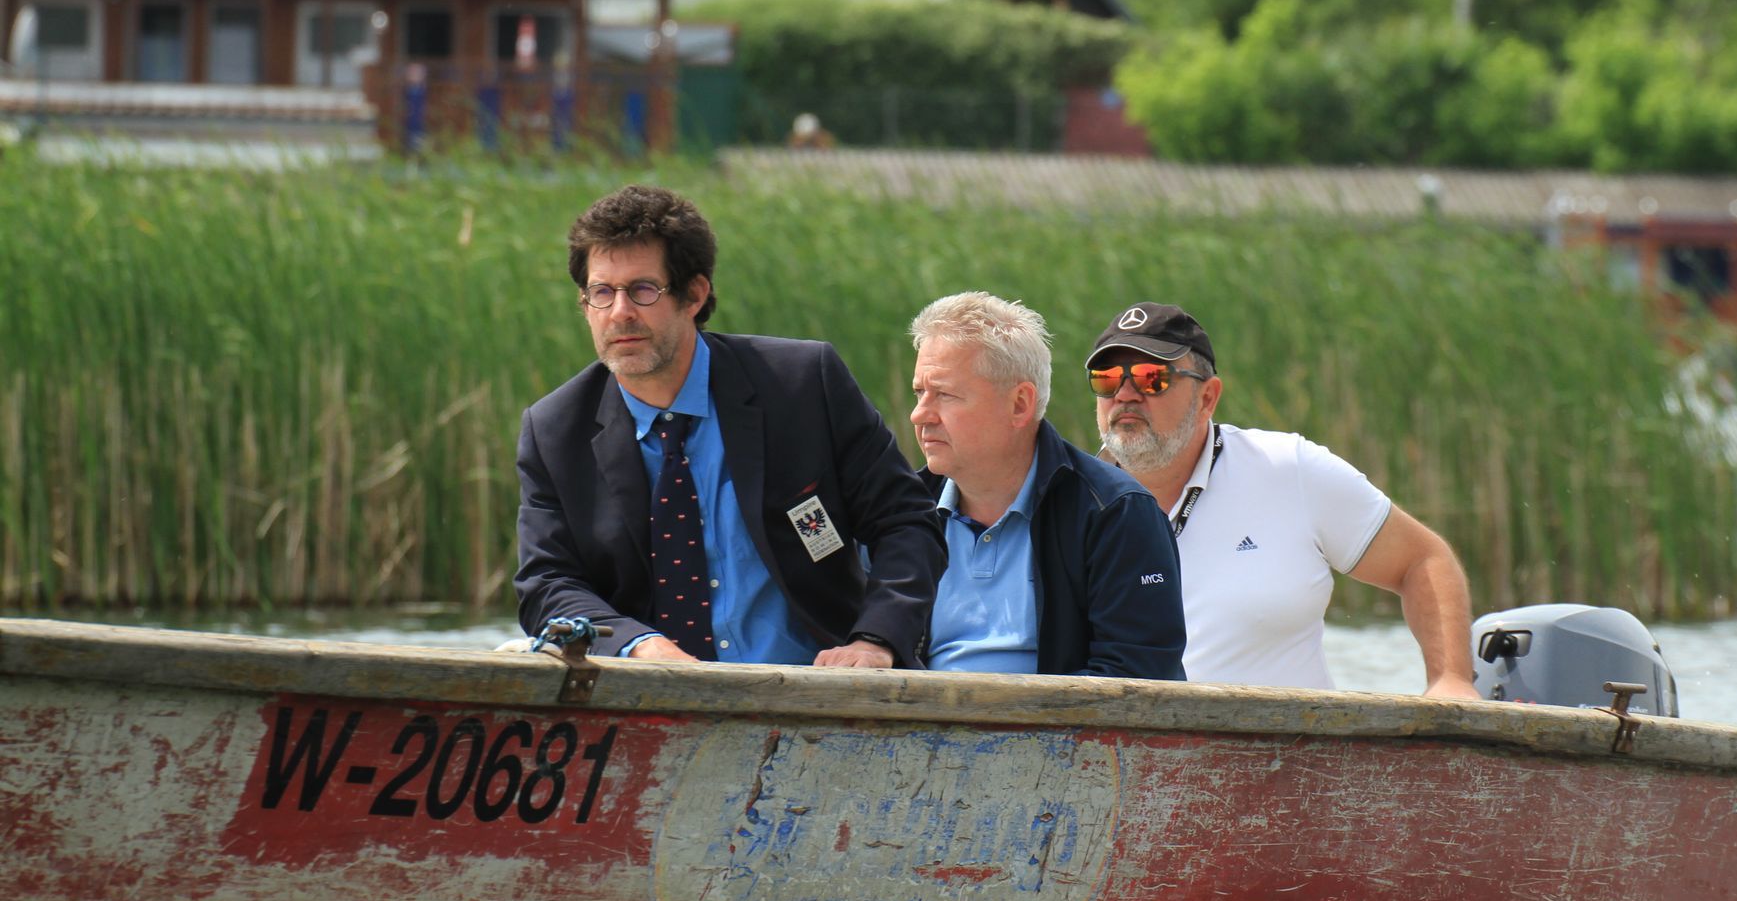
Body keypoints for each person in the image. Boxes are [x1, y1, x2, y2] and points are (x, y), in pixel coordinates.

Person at [514, 184, 945, 667]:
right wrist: (638, 644)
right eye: (601, 293)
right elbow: (546, 583)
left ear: (694, 295)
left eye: (642, 290)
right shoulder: (554, 431)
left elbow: (906, 522)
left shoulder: (803, 385)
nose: (620, 313)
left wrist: (875, 640)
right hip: (651, 694)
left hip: (819, 687)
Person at [1085, 302, 1478, 697]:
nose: (1125, 395)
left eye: (1151, 378)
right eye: (1107, 380)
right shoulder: (1070, 498)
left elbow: (1422, 560)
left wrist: (1451, 680)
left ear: (1207, 398)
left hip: (1290, 738)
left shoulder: (1289, 469)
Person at [908, 292, 1185, 680]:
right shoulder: (902, 512)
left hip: (1062, 721)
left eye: (944, 394)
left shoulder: (1116, 512)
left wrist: (999, 715)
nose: (919, 414)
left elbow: (1137, 678)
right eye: (919, 393)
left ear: (1020, 404)